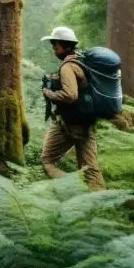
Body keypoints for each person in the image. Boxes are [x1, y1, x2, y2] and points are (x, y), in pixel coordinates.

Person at [40, 26, 107, 191]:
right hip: (88, 122)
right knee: (90, 169)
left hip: (70, 124)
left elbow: (70, 95)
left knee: (47, 161)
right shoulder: (83, 61)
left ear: (62, 46)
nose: (55, 50)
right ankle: (102, 201)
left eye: (55, 46)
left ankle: (75, 189)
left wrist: (49, 93)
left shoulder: (67, 66)